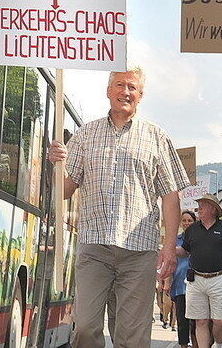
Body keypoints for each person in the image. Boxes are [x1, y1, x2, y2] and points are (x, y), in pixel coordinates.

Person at [47, 64, 190, 348]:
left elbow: (171, 196)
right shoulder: (86, 134)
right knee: (85, 327)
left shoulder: (157, 137)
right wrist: (55, 164)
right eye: (120, 85)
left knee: (132, 337)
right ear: (108, 91)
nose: (125, 92)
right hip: (95, 246)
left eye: (132, 87)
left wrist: (169, 247)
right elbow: (64, 191)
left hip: (139, 252)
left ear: (141, 95)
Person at [177, 194, 222, 348]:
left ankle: (218, 344)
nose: (198, 208)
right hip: (196, 279)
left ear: (213, 209)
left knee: (220, 321)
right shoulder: (192, 229)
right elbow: (185, 251)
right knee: (200, 321)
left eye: (203, 205)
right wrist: (169, 250)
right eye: (198, 204)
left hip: (219, 278)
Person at [172, 210, 198, 348]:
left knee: (196, 320)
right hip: (180, 284)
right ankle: (183, 345)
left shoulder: (199, 238)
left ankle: (196, 344)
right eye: (184, 220)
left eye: (190, 220)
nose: (187, 223)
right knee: (182, 319)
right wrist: (166, 282)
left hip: (197, 284)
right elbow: (171, 262)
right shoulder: (176, 240)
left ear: (194, 222)